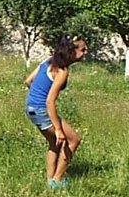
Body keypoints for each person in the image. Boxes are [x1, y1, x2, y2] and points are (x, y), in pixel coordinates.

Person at [24, 35, 87, 188]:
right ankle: (58, 179)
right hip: (42, 109)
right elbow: (50, 101)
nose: (86, 52)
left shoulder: (48, 61)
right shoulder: (62, 71)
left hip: (31, 108)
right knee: (73, 140)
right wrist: (58, 129)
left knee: (54, 144)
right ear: (71, 51)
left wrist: (36, 96)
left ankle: (50, 180)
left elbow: (28, 81)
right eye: (83, 49)